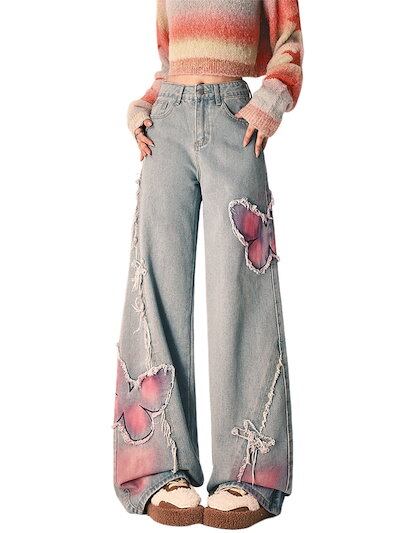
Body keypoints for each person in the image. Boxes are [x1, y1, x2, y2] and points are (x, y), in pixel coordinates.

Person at [113, 0, 303, 528]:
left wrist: (270, 100)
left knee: (241, 292)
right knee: (155, 285)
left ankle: (248, 473)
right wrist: (143, 104)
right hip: (167, 124)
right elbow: (170, 59)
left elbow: (289, 44)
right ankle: (159, 468)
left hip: (235, 119)